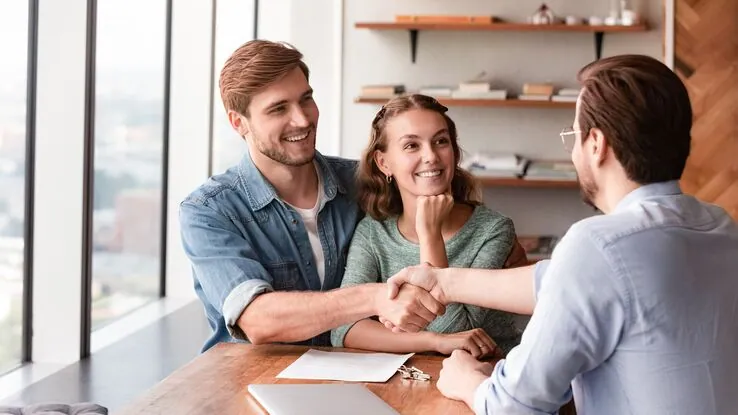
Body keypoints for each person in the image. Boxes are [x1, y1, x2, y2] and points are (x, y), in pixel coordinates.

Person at [386, 54, 738, 414]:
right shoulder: (720, 226)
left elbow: (514, 405)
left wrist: (468, 382)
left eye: (574, 135)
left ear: (596, 144)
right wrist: (442, 281)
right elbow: (558, 280)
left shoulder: (598, 245)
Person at [179, 40, 447, 352]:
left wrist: (497, 238)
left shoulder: (363, 183)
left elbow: (438, 205)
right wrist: (375, 297)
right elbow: (258, 319)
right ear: (239, 123)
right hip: (252, 383)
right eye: (279, 108)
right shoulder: (209, 211)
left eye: (306, 99)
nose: (303, 120)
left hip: (364, 372)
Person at [330, 94, 522, 357]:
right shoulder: (374, 232)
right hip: (410, 377)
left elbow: (454, 333)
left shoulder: (493, 229)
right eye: (411, 146)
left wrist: (430, 235)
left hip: (488, 376)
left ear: (453, 153)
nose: (431, 156)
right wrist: (431, 341)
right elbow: (344, 328)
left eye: (441, 141)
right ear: (384, 162)